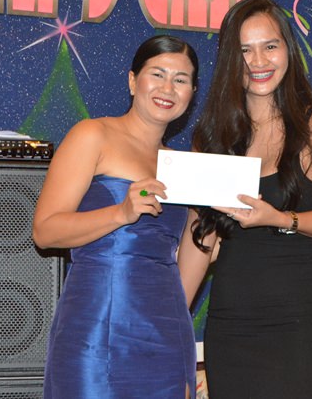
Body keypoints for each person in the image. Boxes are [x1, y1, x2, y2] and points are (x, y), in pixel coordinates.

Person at [178, 0, 312, 398]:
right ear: (230, 60)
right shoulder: (213, 137)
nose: (258, 61)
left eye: (270, 46)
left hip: (295, 323)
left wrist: (278, 218)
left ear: (288, 50)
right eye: (244, 50)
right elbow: (199, 238)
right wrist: (170, 318)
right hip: (230, 324)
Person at [33, 35, 199, 398]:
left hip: (167, 328)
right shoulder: (93, 134)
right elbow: (45, 231)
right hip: (98, 322)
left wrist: (221, 226)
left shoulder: (184, 165)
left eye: (181, 79)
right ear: (132, 81)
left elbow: (190, 255)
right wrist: (120, 213)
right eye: (157, 74)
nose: (168, 88)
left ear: (191, 93)